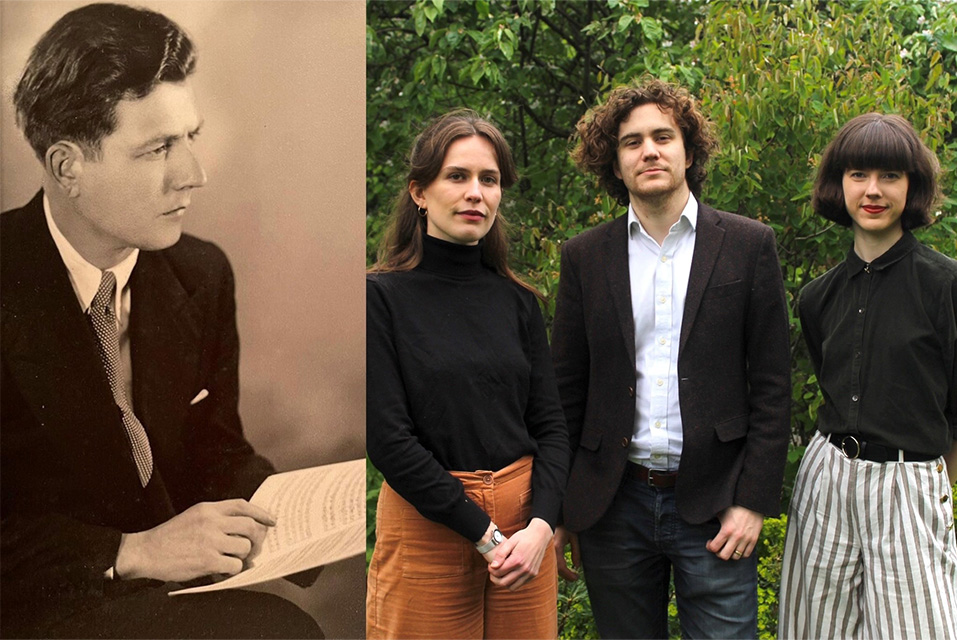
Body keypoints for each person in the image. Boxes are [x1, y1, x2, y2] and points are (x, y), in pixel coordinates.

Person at [0, 4, 321, 638]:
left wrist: (298, 516)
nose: (194, 176)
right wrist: (130, 551)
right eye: (157, 149)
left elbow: (215, 448)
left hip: (162, 596)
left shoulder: (200, 274)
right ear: (67, 168)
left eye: (190, 137)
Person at [551, 78, 792, 639]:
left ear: (689, 150)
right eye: (632, 142)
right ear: (614, 163)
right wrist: (562, 509)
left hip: (716, 504)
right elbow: (566, 390)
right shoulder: (585, 257)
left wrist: (752, 501)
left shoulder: (748, 244)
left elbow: (773, 386)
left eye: (663, 136)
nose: (649, 151)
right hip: (614, 504)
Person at [365, 109, 569, 639]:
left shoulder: (518, 301)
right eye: (457, 176)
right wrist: (484, 535)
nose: (475, 192)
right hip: (429, 523)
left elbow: (550, 425)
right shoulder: (378, 298)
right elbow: (388, 439)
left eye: (489, 179)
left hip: (526, 533)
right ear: (419, 191)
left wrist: (541, 528)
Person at [779, 113, 957, 639]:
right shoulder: (818, 297)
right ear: (839, 185)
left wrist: (933, 484)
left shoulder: (946, 286)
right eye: (858, 175)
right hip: (827, 480)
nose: (873, 191)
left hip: (909, 481)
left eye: (890, 176)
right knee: (813, 630)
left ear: (913, 186)